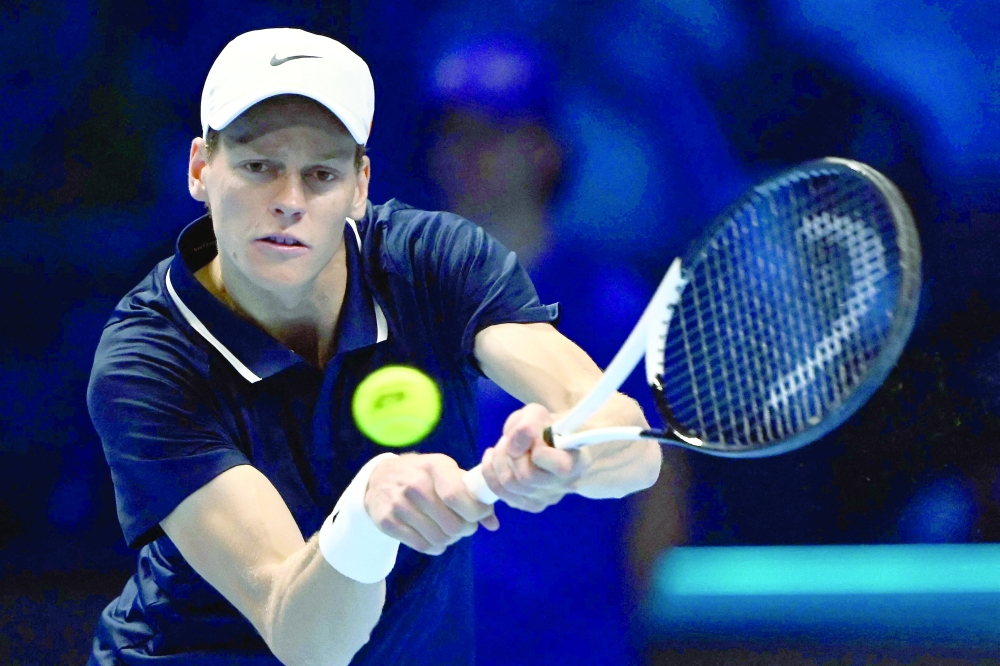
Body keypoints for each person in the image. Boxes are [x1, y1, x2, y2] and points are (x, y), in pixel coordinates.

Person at [85, 27, 661, 666]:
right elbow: (301, 635)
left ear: (359, 185)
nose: (289, 202)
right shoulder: (148, 359)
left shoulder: (434, 261)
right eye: (258, 167)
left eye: (321, 174)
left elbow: (632, 448)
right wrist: (364, 516)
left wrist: (570, 452)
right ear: (200, 168)